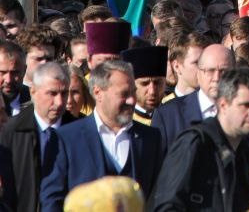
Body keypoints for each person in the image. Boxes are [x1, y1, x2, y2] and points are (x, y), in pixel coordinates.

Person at [41, 59, 164, 209]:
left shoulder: (151, 138)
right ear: (98, 93)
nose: (132, 100)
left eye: (133, 92)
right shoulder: (66, 139)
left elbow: (160, 196)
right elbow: (52, 200)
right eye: (124, 94)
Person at [149, 67, 249, 212]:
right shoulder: (194, 144)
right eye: (246, 105)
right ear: (223, 105)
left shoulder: (243, 152)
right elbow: (167, 206)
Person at [152, 42, 249, 153]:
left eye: (224, 71)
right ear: (199, 73)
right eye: (210, 71)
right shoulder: (168, 116)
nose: (216, 78)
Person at [0, 60, 79, 212]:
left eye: (64, 93)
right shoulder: (10, 132)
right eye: (52, 93)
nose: (60, 102)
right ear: (33, 92)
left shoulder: (79, 133)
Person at [121, 45, 167, 125]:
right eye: (145, 84)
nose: (152, 91)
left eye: (157, 83)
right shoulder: (122, 123)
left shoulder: (176, 118)